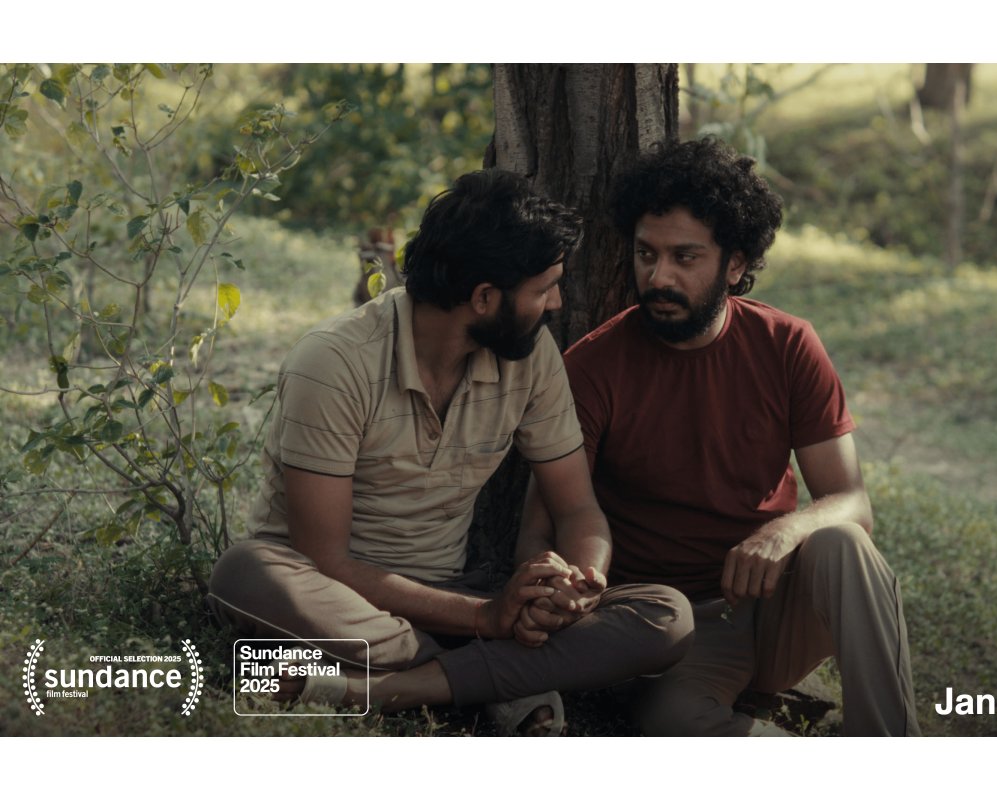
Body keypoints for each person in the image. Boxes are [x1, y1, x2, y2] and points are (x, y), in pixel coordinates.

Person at [207, 169, 693, 734]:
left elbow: (578, 509)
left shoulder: (530, 357)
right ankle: (495, 676)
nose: (557, 303)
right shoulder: (335, 363)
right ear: (484, 298)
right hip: (333, 596)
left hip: (452, 594)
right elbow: (327, 560)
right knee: (243, 574)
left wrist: (578, 586)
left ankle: (386, 686)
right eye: (544, 289)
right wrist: (490, 619)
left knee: (665, 618)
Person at [517, 138, 921, 736]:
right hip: (680, 625)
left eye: (685, 257)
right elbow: (540, 523)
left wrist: (783, 533)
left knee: (844, 545)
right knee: (673, 721)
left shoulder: (787, 344)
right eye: (646, 254)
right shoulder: (593, 367)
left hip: (778, 602)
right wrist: (557, 587)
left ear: (735, 264)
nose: (659, 276)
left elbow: (852, 502)